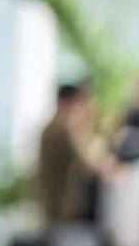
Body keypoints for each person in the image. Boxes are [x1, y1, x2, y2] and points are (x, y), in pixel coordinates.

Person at [37, 82, 114, 224]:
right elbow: (88, 164)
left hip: (55, 208)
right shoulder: (63, 130)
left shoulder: (52, 128)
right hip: (64, 210)